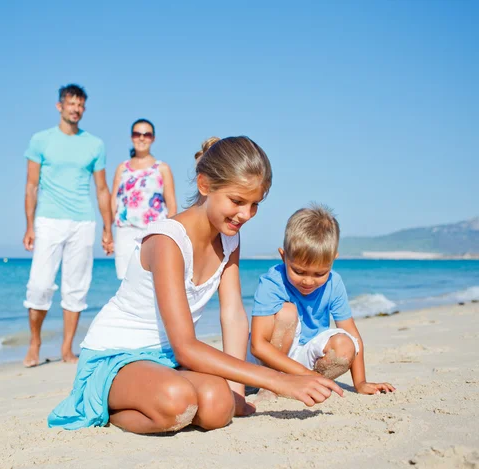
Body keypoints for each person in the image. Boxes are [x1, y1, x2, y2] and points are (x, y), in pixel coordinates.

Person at [48, 137, 342, 434]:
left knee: (218, 406)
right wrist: (279, 380)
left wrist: (237, 392)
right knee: (177, 401)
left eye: (255, 204)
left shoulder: (230, 238)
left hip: (166, 362)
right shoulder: (167, 242)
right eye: (237, 201)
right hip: (115, 356)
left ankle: (169, 395)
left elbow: (233, 314)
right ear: (204, 185)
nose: (246, 214)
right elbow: (187, 347)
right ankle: (108, 408)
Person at [250, 204, 395, 396]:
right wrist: (306, 374)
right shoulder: (273, 282)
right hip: (267, 357)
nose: (308, 281)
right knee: (287, 313)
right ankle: (275, 382)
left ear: (332, 260)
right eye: (299, 271)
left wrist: (360, 383)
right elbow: (258, 346)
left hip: (306, 355)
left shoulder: (334, 283)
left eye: (320, 273)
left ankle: (302, 382)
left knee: (345, 346)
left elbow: (352, 333)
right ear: (283, 256)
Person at [22, 84, 114, 368]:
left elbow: (101, 189)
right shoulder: (40, 140)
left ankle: (67, 347)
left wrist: (107, 228)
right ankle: (35, 341)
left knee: (76, 288)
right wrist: (29, 226)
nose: (76, 108)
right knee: (39, 285)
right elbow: (31, 185)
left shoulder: (94, 144)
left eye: (80, 105)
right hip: (48, 220)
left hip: (83, 221)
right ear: (59, 106)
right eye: (71, 103)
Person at [110, 119, 177, 279]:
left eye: (146, 134)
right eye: (137, 134)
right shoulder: (122, 168)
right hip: (125, 232)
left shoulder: (162, 168)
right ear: (131, 137)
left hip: (154, 232)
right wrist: (108, 232)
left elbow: (172, 206)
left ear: (153, 138)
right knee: (126, 280)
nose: (141, 138)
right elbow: (114, 201)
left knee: (151, 280)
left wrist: (171, 236)